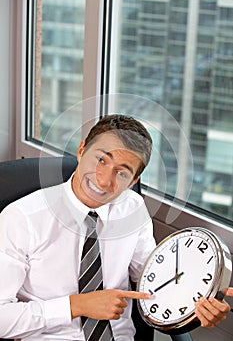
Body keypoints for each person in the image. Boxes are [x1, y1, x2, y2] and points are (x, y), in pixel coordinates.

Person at [0, 114, 230, 340]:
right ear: (81, 151)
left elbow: (154, 283)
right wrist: (76, 306)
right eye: (101, 159)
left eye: (122, 173)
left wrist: (197, 307)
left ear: (133, 182)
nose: (103, 180)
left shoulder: (132, 207)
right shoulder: (22, 218)